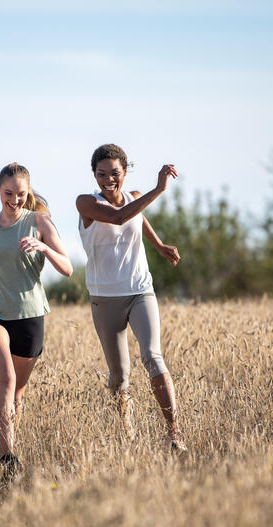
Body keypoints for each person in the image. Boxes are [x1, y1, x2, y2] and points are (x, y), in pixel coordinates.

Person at [0, 162, 73, 477]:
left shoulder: (39, 222)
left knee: (18, 390)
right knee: (6, 379)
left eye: (21, 194)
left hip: (29, 315)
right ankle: (6, 455)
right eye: (8, 193)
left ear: (28, 193)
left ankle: (12, 450)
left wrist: (44, 247)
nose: (14, 200)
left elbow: (67, 268)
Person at [75, 143, 187, 452]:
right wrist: (159, 190)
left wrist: (160, 244)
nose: (108, 180)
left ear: (126, 172)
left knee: (152, 356)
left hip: (140, 289)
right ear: (94, 174)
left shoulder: (135, 198)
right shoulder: (85, 203)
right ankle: (127, 436)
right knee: (119, 377)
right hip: (104, 297)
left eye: (115, 174)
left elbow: (136, 216)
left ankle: (174, 434)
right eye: (102, 174)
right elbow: (122, 216)